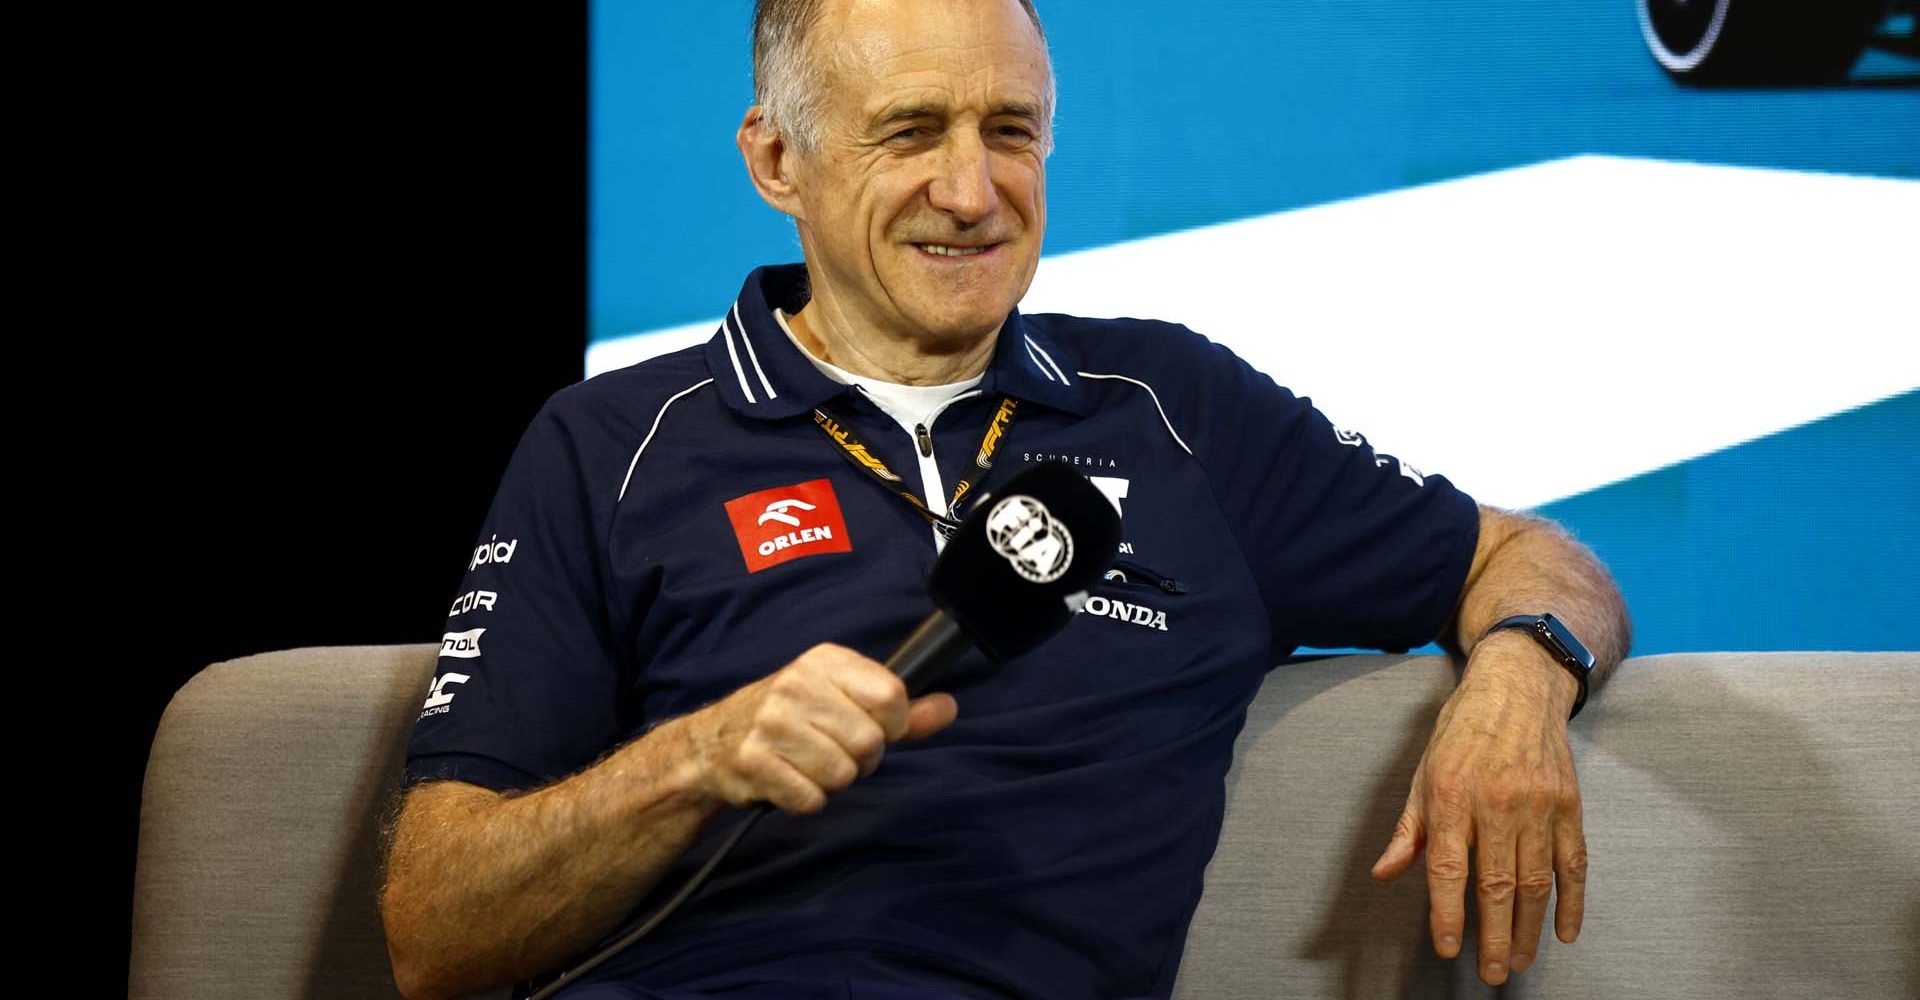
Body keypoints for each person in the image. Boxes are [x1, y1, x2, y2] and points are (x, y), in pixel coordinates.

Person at [378, 1, 1631, 998]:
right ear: (775, 159)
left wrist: (1520, 682)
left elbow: (1520, 557)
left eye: (1011, 131)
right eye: (911, 131)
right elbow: (434, 932)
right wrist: (698, 757)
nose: (973, 192)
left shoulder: (1173, 405)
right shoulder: (611, 441)